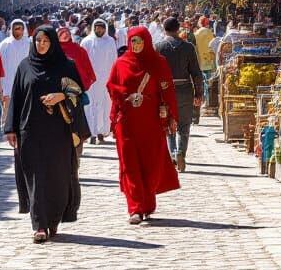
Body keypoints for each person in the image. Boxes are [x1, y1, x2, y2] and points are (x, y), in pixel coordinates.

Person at [5, 26, 86, 243]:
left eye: (45, 41)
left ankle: (54, 219)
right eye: (38, 40)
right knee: (34, 177)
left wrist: (61, 96)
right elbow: (17, 97)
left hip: (58, 132)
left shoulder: (66, 65)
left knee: (57, 177)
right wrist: (11, 128)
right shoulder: (25, 66)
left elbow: (79, 94)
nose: (41, 45)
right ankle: (39, 224)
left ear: (52, 43)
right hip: (30, 130)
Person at [107, 26, 180, 224]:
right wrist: (126, 95)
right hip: (128, 122)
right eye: (133, 42)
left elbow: (167, 90)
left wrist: (171, 115)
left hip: (151, 122)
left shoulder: (158, 63)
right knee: (130, 164)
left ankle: (148, 203)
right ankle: (135, 207)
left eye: (139, 41)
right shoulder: (120, 64)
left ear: (147, 41)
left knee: (150, 163)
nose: (136, 45)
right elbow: (111, 86)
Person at [155, 17, 204, 172]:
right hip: (185, 90)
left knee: (169, 124)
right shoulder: (188, 47)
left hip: (165, 91)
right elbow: (196, 73)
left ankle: (173, 154)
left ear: (164, 29)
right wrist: (199, 93)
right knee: (184, 125)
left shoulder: (159, 47)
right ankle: (181, 152)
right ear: (179, 29)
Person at [81, 18, 117, 144]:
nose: (99, 30)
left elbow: (114, 60)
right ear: (93, 28)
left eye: (102, 27)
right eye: (97, 27)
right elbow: (81, 61)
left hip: (106, 79)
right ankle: (91, 133)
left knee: (105, 105)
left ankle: (102, 132)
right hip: (90, 81)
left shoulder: (110, 41)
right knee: (91, 105)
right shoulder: (86, 42)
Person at [0, 18, 31, 114]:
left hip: (25, 83)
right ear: (11, 29)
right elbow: (0, 65)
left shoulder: (29, 44)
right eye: (15, 29)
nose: (18, 31)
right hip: (8, 85)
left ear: (23, 30)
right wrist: (1, 87)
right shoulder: (5, 44)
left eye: (20, 28)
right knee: (7, 115)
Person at [194, 16, 217, 119]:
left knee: (201, 83)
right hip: (209, 62)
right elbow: (212, 46)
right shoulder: (209, 32)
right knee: (208, 83)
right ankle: (207, 103)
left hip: (199, 62)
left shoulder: (196, 33)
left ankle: (202, 102)